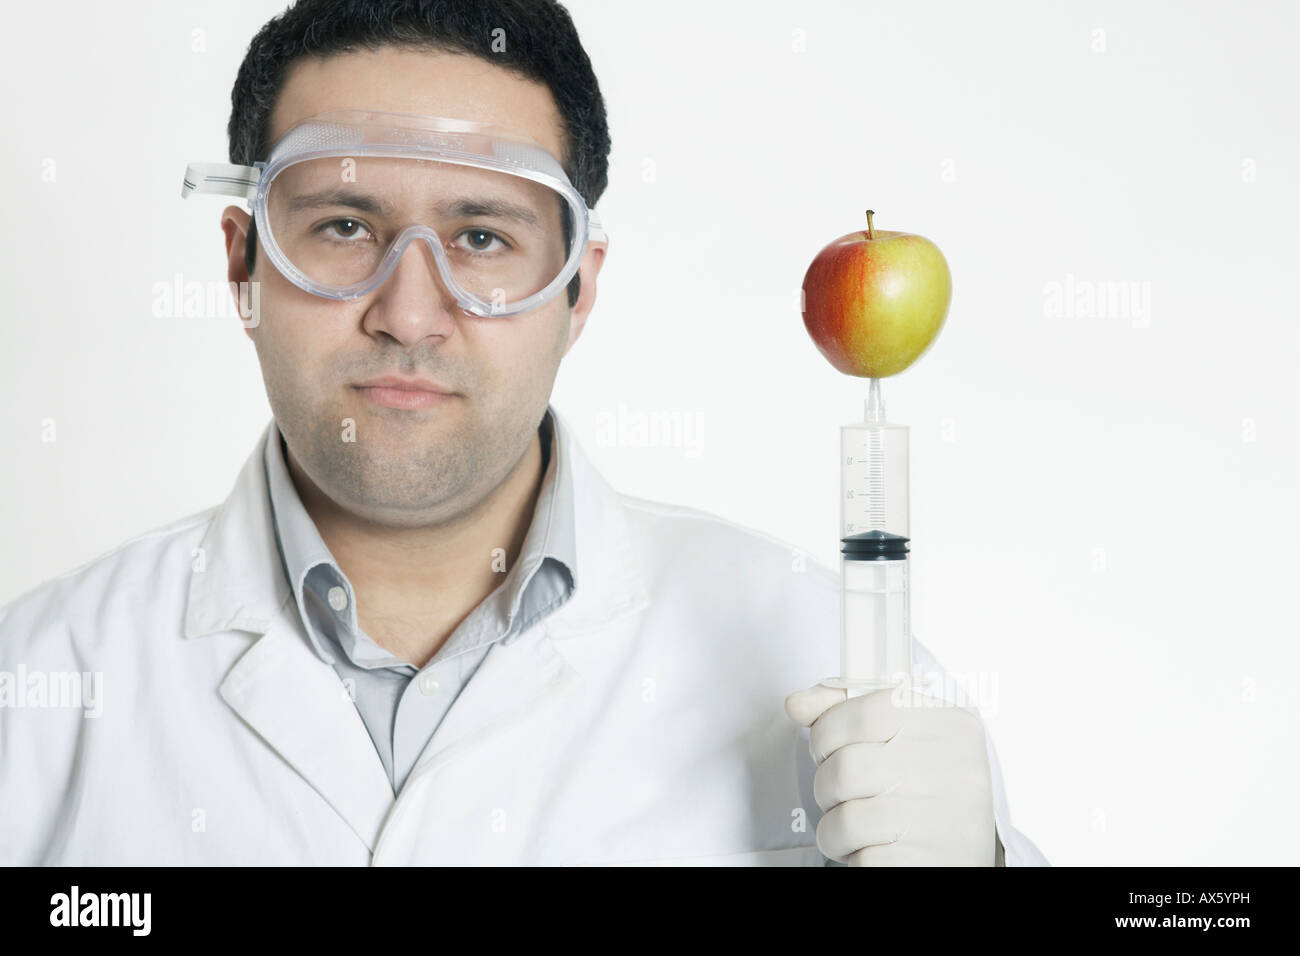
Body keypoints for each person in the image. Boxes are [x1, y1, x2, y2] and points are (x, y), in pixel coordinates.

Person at [0, 0, 1047, 866]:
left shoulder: (823, 659)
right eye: (344, 225)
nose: (409, 313)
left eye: (483, 236)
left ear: (578, 287)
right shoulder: (40, 688)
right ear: (242, 263)